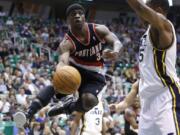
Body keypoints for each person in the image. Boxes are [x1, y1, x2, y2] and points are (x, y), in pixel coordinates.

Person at [14, 3, 123, 128]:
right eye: (73, 14)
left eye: (80, 13)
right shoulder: (66, 43)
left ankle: (68, 107)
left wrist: (115, 52)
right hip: (75, 70)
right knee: (56, 84)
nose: (77, 16)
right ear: (68, 20)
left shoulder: (99, 30)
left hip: (94, 74)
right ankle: (28, 114)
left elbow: (117, 42)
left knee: (90, 101)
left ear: (84, 17)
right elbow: (62, 62)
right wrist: (60, 75)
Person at [119, 0, 179, 134]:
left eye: (148, 9)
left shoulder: (163, 25)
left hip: (165, 96)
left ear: (157, 10)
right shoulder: (149, 32)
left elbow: (139, 7)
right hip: (147, 101)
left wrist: (141, 7)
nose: (140, 15)